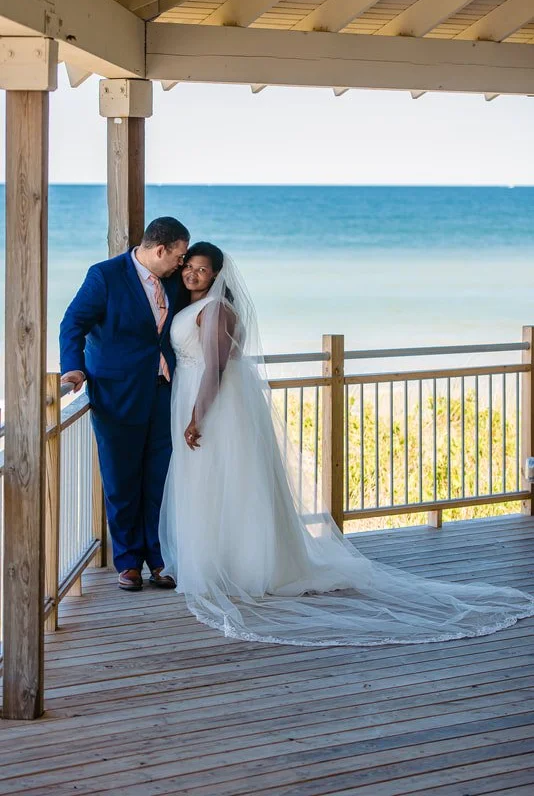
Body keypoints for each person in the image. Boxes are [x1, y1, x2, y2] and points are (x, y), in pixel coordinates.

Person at [158, 241, 534, 647]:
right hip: (203, 397)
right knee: (213, 486)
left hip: (213, 404)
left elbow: (214, 365)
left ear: (216, 274)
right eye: (188, 267)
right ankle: (218, 564)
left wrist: (198, 415)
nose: (193, 274)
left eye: (201, 268)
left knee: (226, 484)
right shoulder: (195, 306)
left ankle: (240, 568)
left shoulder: (214, 310)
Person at [60, 217, 190, 591]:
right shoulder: (105, 276)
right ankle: (129, 561)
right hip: (116, 394)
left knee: (159, 478)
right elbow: (73, 324)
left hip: (164, 392)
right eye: (179, 257)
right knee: (121, 479)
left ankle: (160, 559)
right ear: (160, 250)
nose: (181, 265)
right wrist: (73, 369)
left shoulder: (171, 280)